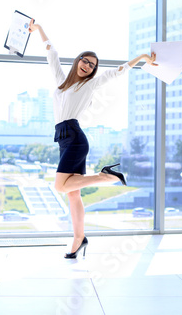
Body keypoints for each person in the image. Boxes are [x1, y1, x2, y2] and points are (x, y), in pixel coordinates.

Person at [29, 19, 157, 259]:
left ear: (93, 70)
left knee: (59, 186)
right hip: (63, 140)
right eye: (85, 60)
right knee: (72, 193)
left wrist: (140, 57)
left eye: (92, 65)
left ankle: (105, 176)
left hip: (76, 139)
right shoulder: (61, 81)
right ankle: (79, 239)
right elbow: (52, 53)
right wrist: (38, 30)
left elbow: (117, 72)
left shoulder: (90, 84)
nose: (87, 66)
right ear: (78, 60)